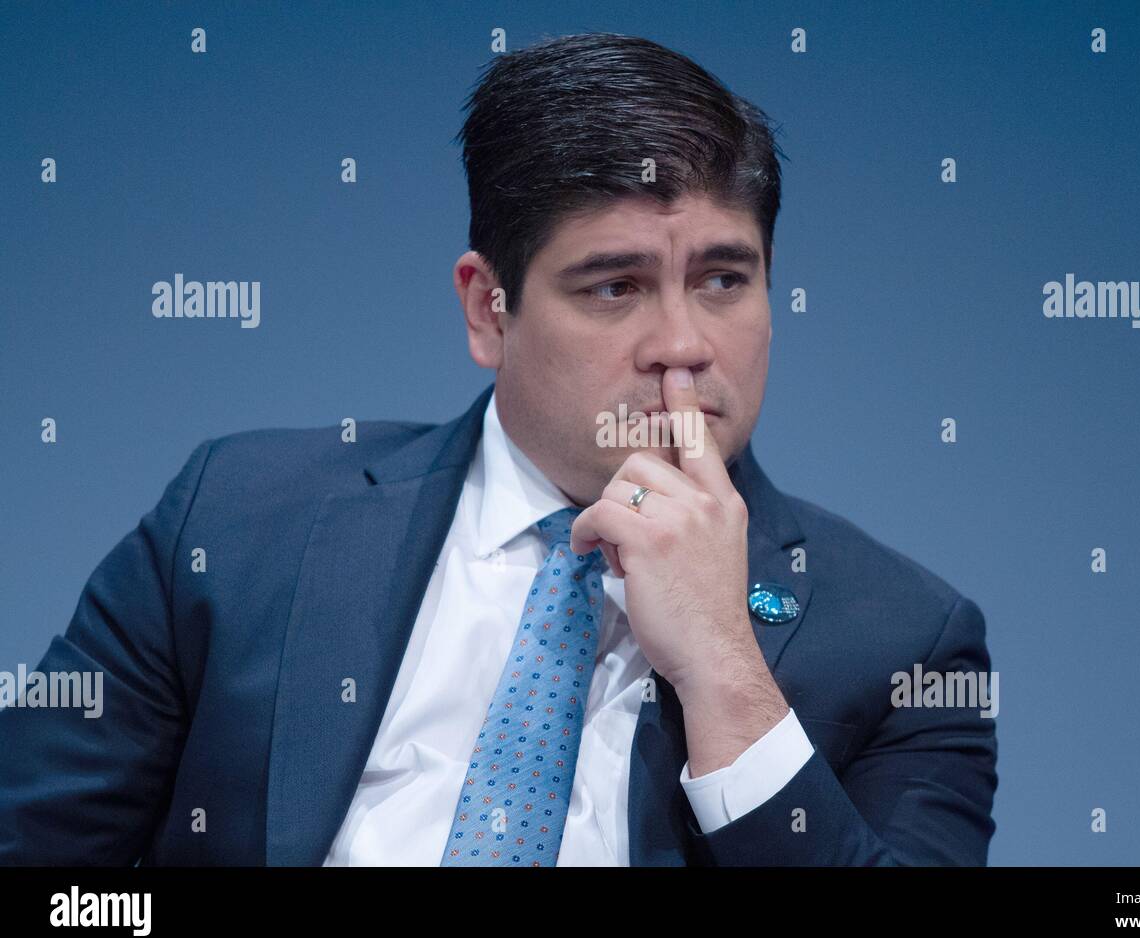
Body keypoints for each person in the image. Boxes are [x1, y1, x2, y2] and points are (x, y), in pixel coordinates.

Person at [0, 32, 996, 866]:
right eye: (615, 286)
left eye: (724, 280)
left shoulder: (904, 638)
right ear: (490, 307)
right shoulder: (237, 521)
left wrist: (726, 674)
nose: (683, 345)